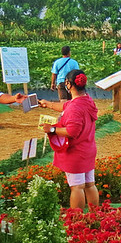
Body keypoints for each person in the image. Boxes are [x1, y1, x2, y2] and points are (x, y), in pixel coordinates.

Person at [39, 70, 98, 210]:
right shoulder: (87, 100)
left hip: (75, 152)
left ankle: (76, 221)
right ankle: (96, 215)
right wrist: (48, 104)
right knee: (90, 184)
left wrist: (51, 129)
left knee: (77, 187)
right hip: (88, 149)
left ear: (69, 84)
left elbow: (71, 131)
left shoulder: (75, 108)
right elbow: (66, 106)